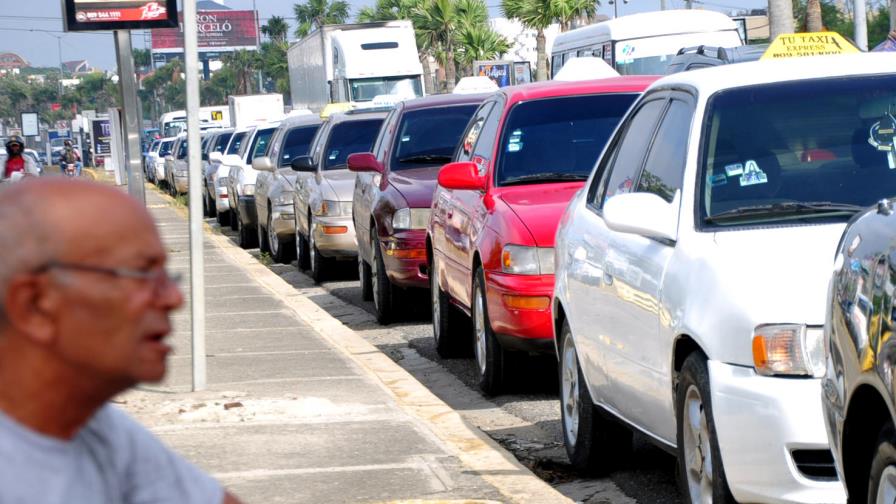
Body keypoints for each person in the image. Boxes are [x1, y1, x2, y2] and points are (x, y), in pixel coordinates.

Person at [0, 179, 243, 504]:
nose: (173, 298)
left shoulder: (88, 424)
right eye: (141, 274)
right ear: (34, 305)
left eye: (165, 276)